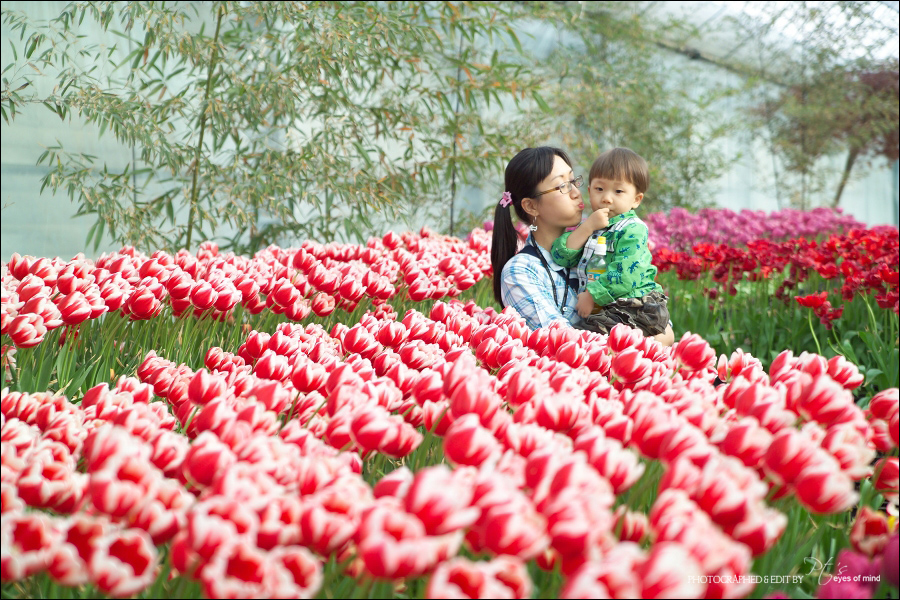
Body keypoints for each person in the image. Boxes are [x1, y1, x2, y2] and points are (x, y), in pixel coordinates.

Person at [490, 146, 675, 346]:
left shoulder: (596, 243)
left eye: (573, 180)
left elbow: (660, 327)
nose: (577, 193)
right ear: (531, 206)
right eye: (563, 186)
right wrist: (648, 338)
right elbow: (565, 345)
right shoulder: (521, 272)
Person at [550, 147, 670, 338]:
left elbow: (626, 272)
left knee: (587, 340)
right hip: (605, 309)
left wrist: (592, 295)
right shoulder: (589, 226)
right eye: (599, 189)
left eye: (618, 191)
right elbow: (560, 256)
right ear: (589, 191)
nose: (606, 198)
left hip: (636, 306)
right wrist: (587, 227)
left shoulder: (632, 229)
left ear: (636, 200)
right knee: (587, 339)